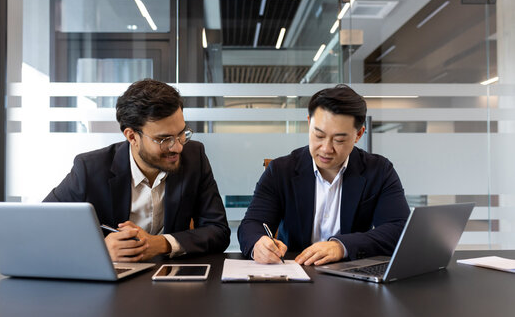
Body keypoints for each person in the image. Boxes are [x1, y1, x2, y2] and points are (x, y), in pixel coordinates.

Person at [45, 79, 230, 262]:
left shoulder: (194, 156)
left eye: (182, 134)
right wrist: (99, 250)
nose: (178, 147)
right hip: (112, 280)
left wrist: (162, 244)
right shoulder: (90, 168)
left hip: (170, 278)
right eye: (164, 139)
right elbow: (41, 228)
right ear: (132, 136)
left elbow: (218, 231)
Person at [238, 84, 410, 266]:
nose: (326, 149)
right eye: (318, 135)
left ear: (359, 134)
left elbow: (399, 229)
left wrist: (341, 246)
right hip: (295, 274)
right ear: (308, 123)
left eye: (339, 140)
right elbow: (251, 225)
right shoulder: (281, 170)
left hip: (352, 277)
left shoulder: (379, 170)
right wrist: (258, 243)